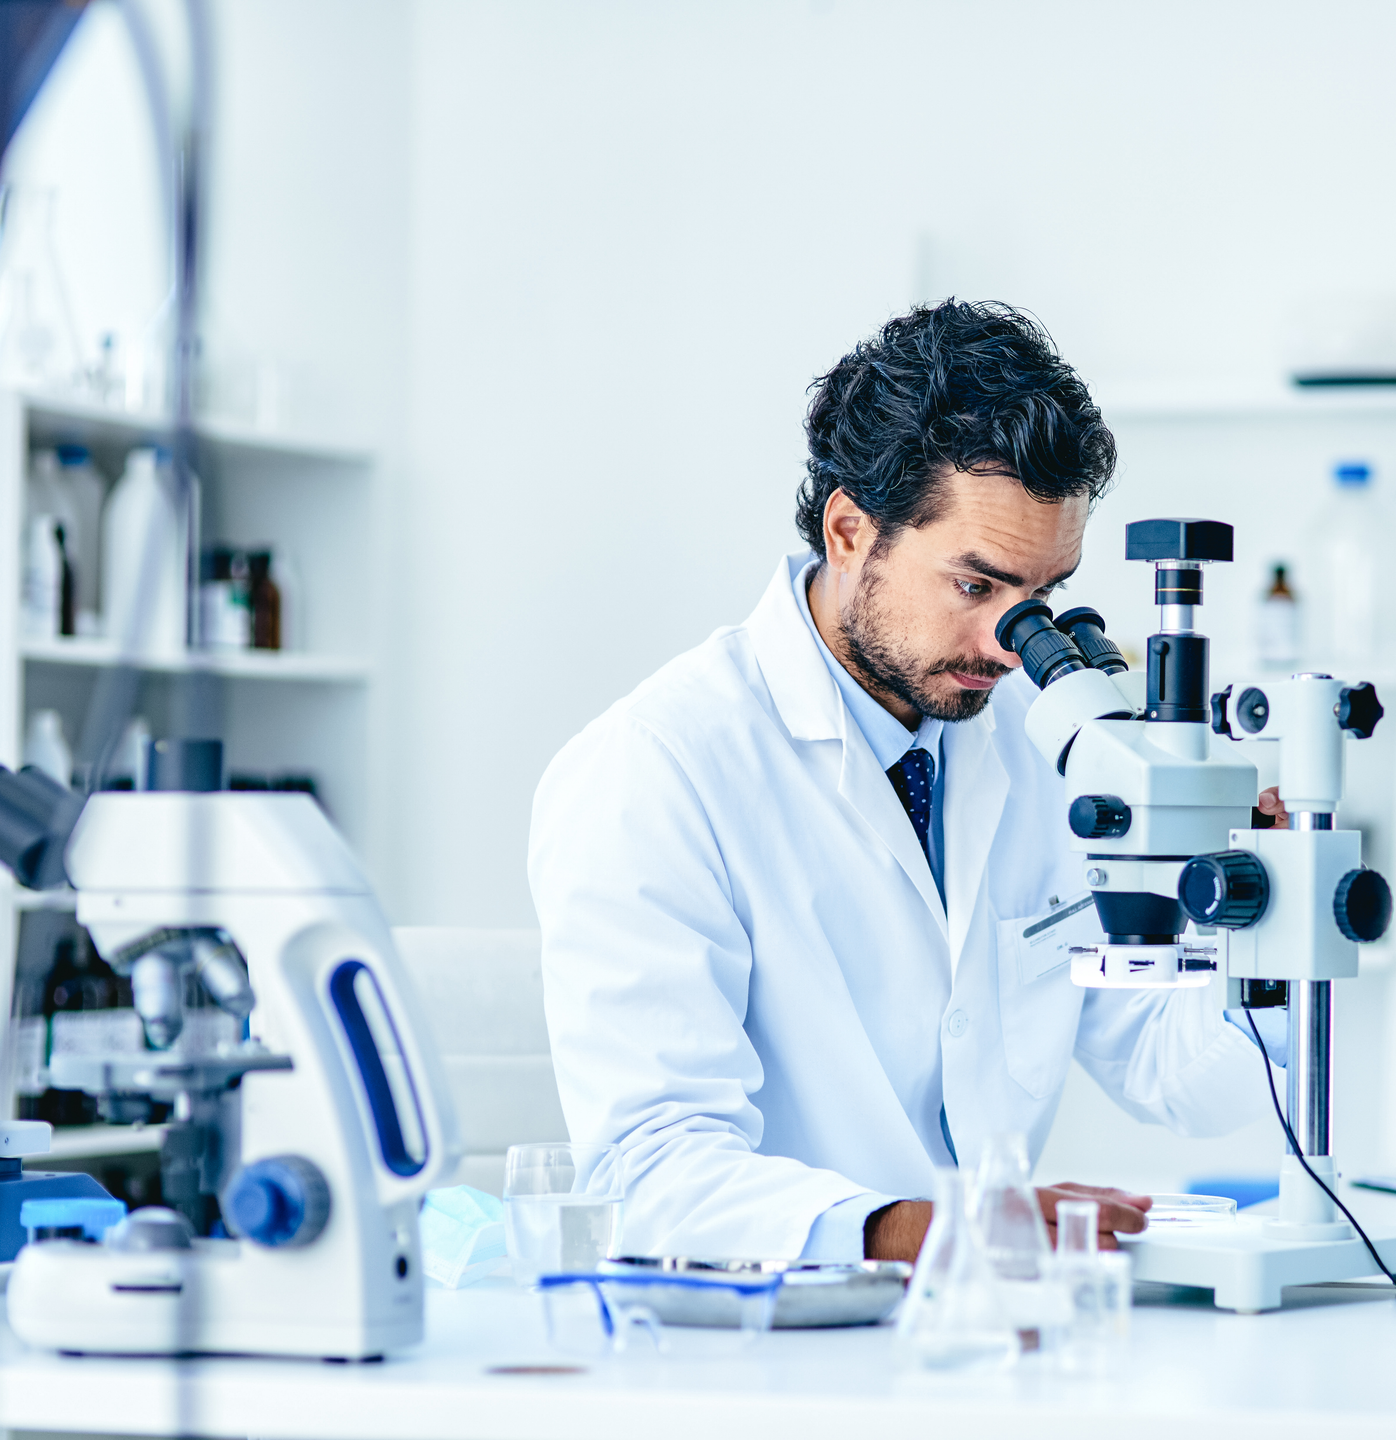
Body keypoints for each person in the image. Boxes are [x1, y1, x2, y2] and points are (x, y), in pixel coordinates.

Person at [529, 301, 1289, 1263]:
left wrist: (1270, 929)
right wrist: (931, 1233)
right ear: (850, 531)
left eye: (1043, 599)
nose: (1013, 648)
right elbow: (650, 1172)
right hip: (766, 1350)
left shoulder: (1040, 742)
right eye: (977, 588)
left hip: (987, 1330)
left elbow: (1178, 1076)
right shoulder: (654, 772)